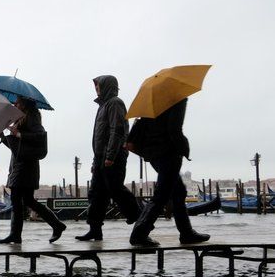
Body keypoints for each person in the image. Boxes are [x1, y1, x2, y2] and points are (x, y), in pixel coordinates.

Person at [127, 98, 209, 247]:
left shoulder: (150, 103)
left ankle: (186, 233)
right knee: (161, 195)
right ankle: (139, 234)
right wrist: (184, 148)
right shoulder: (177, 99)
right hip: (169, 153)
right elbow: (174, 129)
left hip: (153, 154)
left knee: (178, 192)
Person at [77, 75, 141, 240]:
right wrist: (96, 161)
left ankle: (140, 219)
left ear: (106, 86)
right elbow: (99, 138)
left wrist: (110, 156)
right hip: (101, 157)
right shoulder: (103, 105)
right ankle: (95, 230)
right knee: (97, 194)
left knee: (116, 189)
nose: (96, 89)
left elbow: (117, 130)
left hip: (114, 156)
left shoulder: (115, 103)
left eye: (98, 86)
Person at [0, 97, 66, 243]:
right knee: (27, 200)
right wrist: (3, 138)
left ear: (25, 104)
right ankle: (56, 225)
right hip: (19, 165)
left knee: (19, 199)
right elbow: (17, 149)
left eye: (18, 102)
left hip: (26, 166)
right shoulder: (20, 118)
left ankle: (16, 235)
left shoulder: (32, 117)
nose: (15, 104)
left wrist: (19, 134)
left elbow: (40, 136)